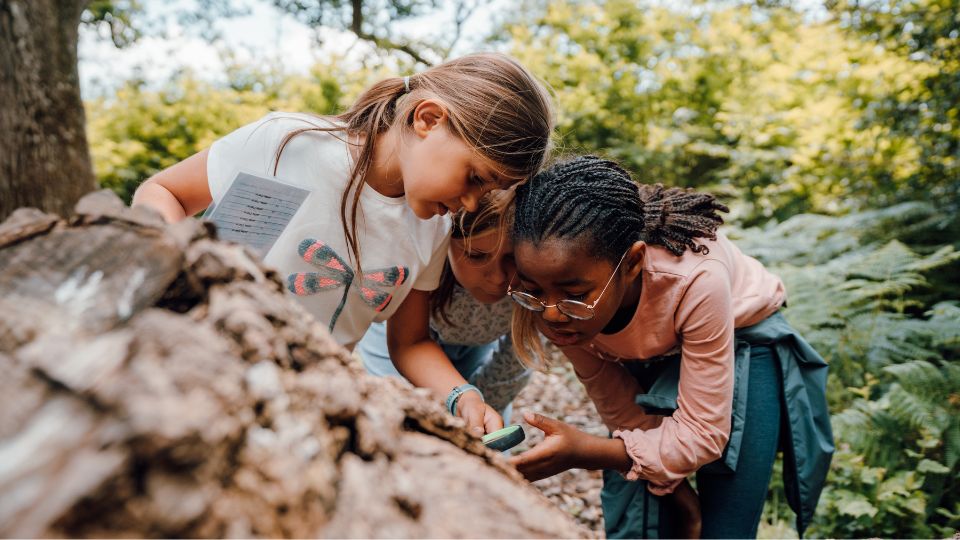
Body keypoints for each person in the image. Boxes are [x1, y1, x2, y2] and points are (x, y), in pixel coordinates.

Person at [131, 52, 554, 369]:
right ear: (428, 120)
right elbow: (164, 191)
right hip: (193, 362)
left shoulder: (434, 228)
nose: (471, 204)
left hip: (307, 403)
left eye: (489, 192)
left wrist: (463, 399)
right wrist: (181, 272)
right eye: (476, 178)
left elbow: (409, 343)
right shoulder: (288, 145)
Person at [506, 156, 833, 538]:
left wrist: (590, 452)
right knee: (642, 512)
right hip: (654, 343)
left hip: (744, 338)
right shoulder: (561, 299)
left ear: (632, 264)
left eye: (575, 295)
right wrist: (672, 485)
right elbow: (613, 397)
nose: (551, 315)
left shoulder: (695, 279)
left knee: (725, 523)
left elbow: (704, 432)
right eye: (532, 292)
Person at [357, 189, 531, 424]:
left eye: (512, 258)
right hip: (397, 333)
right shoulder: (424, 257)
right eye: (477, 255)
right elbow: (408, 342)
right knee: (397, 420)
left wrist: (477, 410)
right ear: (445, 241)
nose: (499, 277)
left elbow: (516, 360)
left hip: (475, 348)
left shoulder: (532, 279)